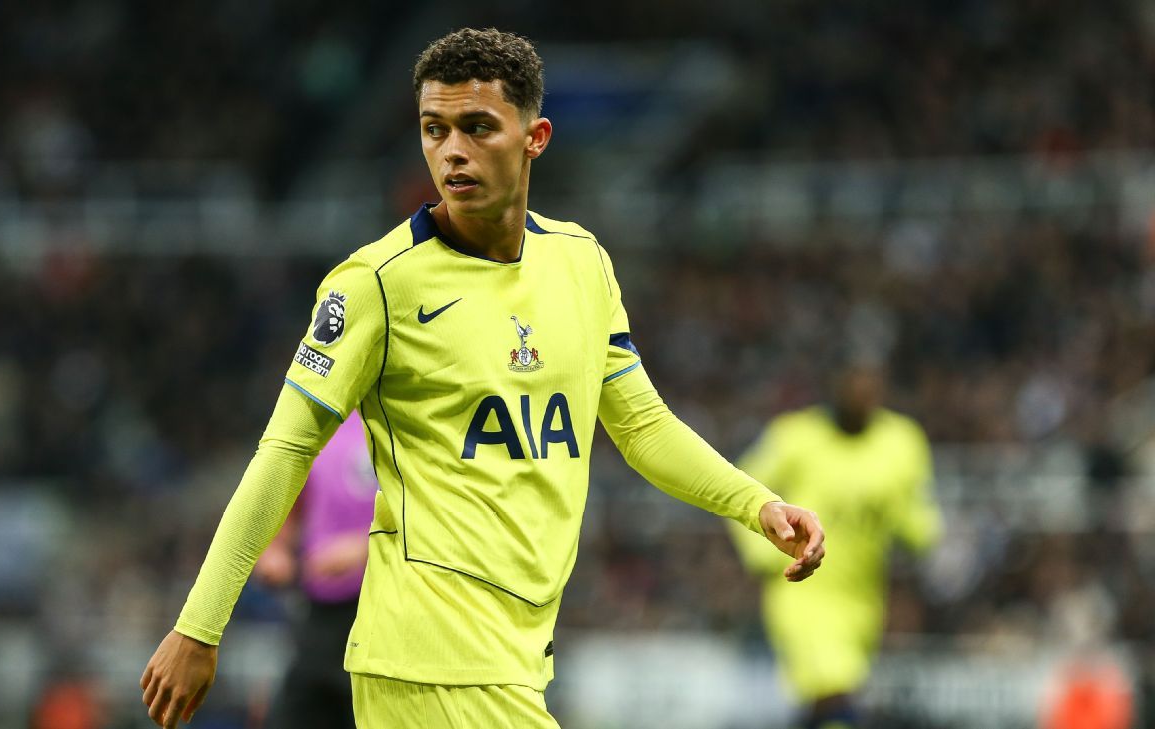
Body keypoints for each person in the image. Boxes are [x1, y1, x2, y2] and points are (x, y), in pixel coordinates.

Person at [141, 28, 826, 729]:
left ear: (535, 137)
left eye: (477, 127)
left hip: (515, 655)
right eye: (433, 129)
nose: (452, 151)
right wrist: (200, 626)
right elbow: (285, 451)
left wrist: (757, 505)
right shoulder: (376, 284)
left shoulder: (581, 263)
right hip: (429, 656)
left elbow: (643, 426)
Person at [729, 362, 941, 729]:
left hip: (863, 597)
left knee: (826, 698)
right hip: (802, 590)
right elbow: (742, 485)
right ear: (836, 388)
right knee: (834, 691)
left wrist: (921, 532)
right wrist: (760, 553)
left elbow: (916, 514)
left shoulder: (902, 441)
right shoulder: (795, 437)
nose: (862, 396)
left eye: (870, 388)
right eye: (853, 385)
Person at [253, 412, 375, 729]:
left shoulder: (400, 416)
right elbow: (291, 504)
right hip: (319, 614)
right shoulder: (317, 420)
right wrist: (276, 550)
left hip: (382, 611)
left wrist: (368, 545)